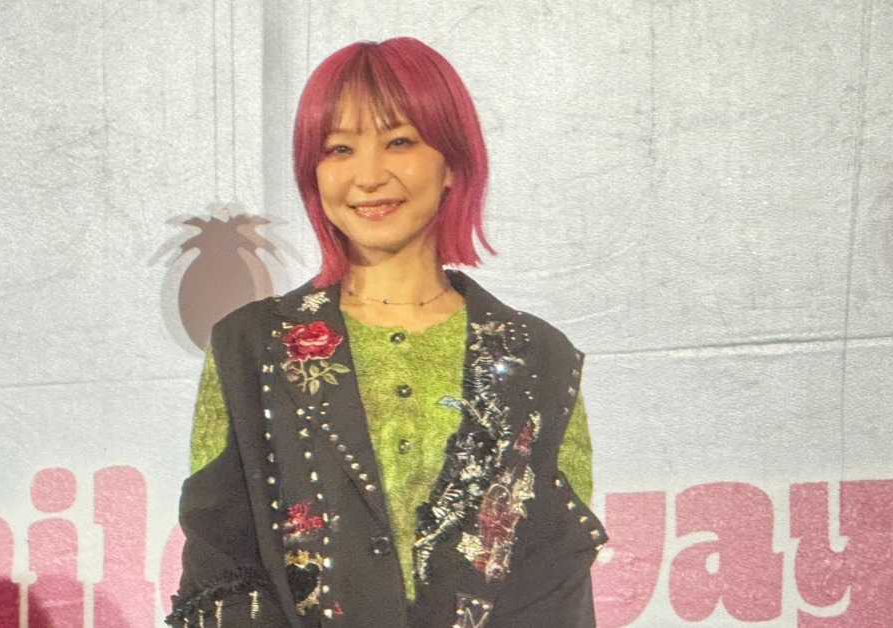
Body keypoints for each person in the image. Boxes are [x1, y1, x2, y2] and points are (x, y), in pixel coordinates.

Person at [168, 38, 605, 628]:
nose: (369, 176)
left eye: (399, 141)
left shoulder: (537, 358)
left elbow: (555, 576)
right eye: (339, 149)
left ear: (453, 163)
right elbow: (219, 573)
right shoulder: (251, 347)